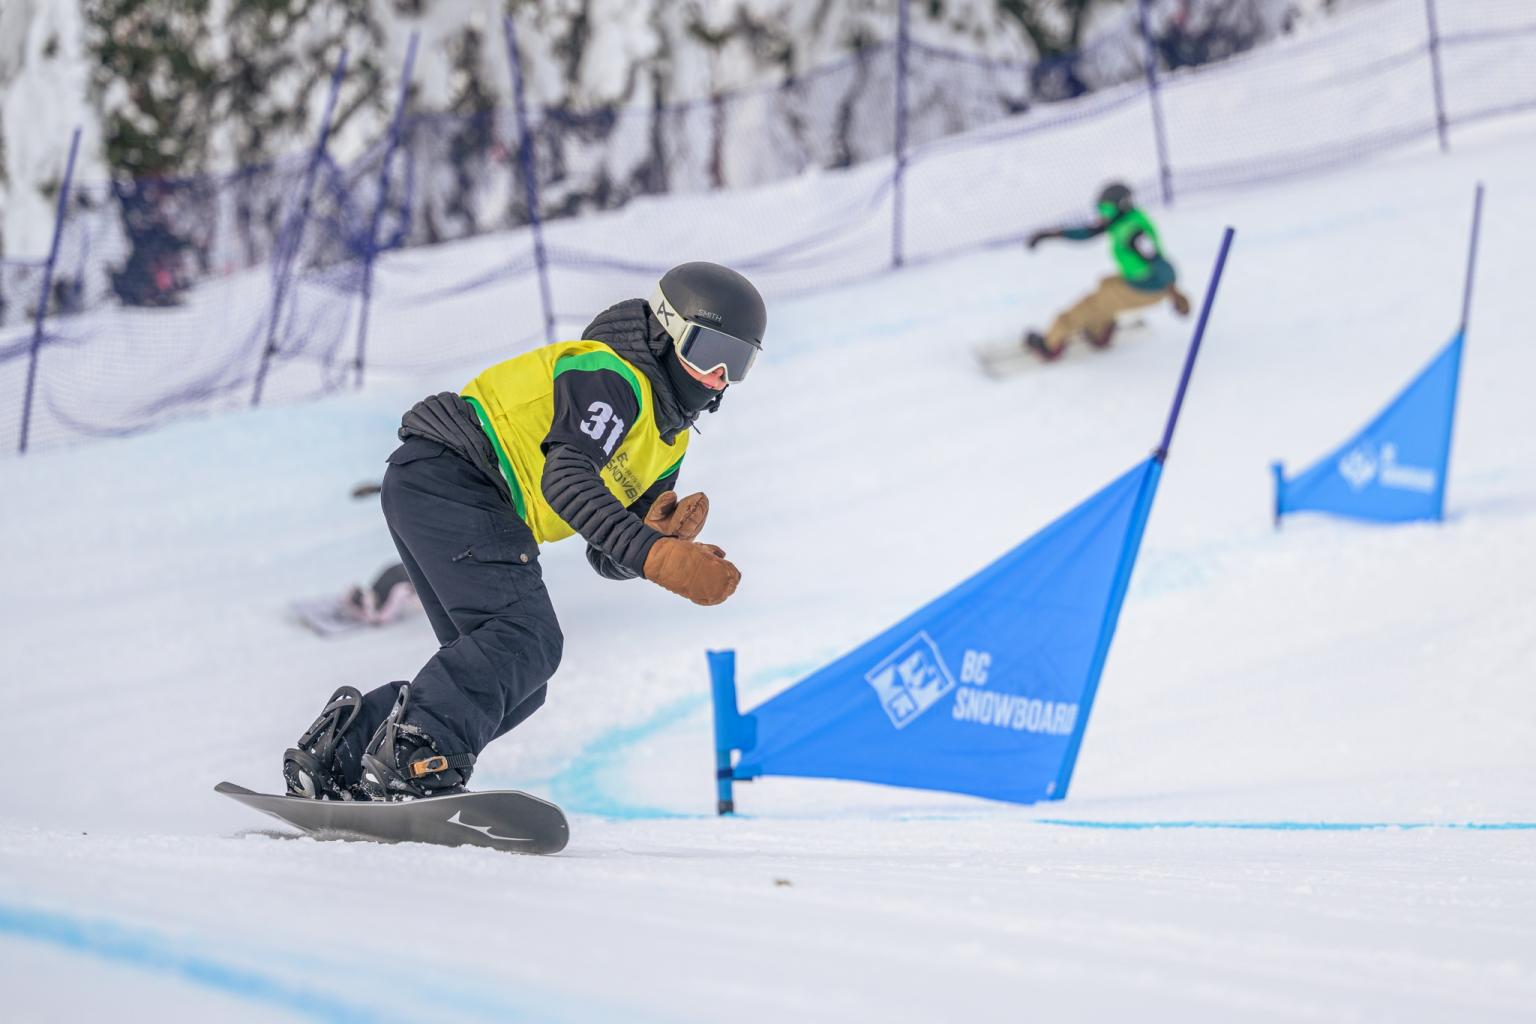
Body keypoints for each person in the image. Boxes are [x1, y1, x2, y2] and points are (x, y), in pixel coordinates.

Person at [282, 262, 765, 801]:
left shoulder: (667, 439)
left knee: (514, 679)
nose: (719, 375)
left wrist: (650, 541)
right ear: (665, 330)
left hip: (443, 488)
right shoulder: (614, 377)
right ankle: (414, 759)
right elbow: (566, 478)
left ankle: (343, 751)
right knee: (525, 639)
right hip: (460, 474)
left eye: (738, 362)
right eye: (706, 352)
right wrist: (656, 557)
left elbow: (603, 552)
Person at [1022, 182, 1191, 360]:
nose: (1101, 214)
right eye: (1100, 208)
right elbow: (1087, 232)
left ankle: (1050, 345)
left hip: (1149, 287)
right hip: (1138, 280)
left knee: (1088, 305)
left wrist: (1175, 294)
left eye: (1105, 208)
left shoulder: (1134, 233)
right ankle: (1099, 330)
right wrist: (1049, 235)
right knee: (1105, 284)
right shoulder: (1122, 220)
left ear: (1119, 206)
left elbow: (1159, 263)